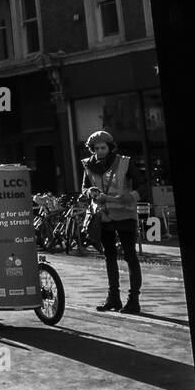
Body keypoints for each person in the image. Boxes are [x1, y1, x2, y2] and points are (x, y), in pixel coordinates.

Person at [82, 130, 143, 314]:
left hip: (124, 214)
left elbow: (142, 184)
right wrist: (88, 192)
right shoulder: (88, 165)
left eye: (103, 147)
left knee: (130, 256)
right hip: (104, 215)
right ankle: (113, 298)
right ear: (92, 149)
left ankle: (133, 300)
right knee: (109, 257)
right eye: (96, 148)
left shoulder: (124, 161)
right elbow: (84, 187)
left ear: (110, 147)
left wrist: (130, 196)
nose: (100, 151)